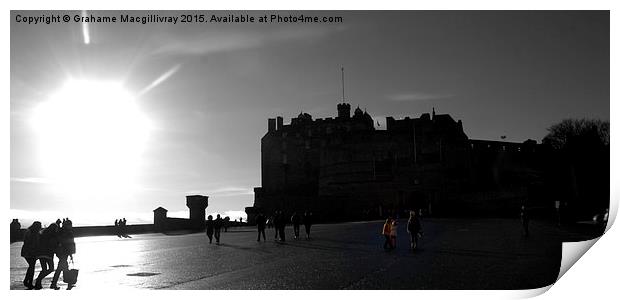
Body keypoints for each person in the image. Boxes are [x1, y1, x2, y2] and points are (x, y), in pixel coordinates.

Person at [51, 219, 76, 290]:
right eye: (70, 225)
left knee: (61, 267)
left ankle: (55, 283)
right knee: (62, 267)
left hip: (62, 252)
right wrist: (71, 253)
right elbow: (69, 243)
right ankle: (68, 283)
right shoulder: (67, 232)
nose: (71, 226)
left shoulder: (62, 231)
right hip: (64, 252)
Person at [35, 223, 58, 289]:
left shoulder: (43, 233)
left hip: (40, 254)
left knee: (44, 269)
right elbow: (53, 245)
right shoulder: (52, 235)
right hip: (48, 254)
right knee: (51, 268)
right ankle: (38, 280)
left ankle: (38, 283)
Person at [21, 221, 42, 289]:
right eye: (39, 226)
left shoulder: (32, 232)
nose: (40, 227)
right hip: (29, 252)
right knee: (32, 267)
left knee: (31, 267)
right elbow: (28, 242)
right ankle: (28, 282)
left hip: (29, 252)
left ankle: (27, 281)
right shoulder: (31, 232)